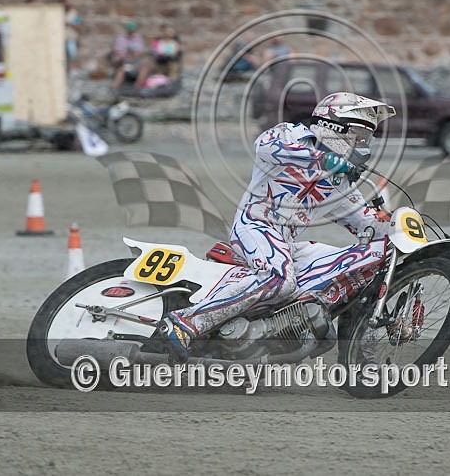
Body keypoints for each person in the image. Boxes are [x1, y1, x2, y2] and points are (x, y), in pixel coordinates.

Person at [156, 93, 397, 360]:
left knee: (362, 263)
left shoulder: (339, 184)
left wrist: (400, 226)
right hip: (254, 225)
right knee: (279, 279)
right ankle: (185, 323)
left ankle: (357, 360)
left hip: (286, 243)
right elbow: (264, 147)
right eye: (359, 135)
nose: (363, 145)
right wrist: (323, 159)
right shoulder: (291, 134)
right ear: (334, 125)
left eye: (368, 138)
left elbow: (367, 224)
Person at [110, 21, 145, 93]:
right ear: (127, 30)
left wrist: (131, 54)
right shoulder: (120, 39)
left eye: (132, 30)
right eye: (130, 30)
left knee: (143, 69)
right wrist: (126, 55)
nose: (131, 32)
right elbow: (117, 51)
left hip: (134, 62)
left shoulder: (138, 38)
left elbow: (138, 53)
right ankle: (113, 88)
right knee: (121, 69)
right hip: (124, 61)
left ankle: (136, 89)